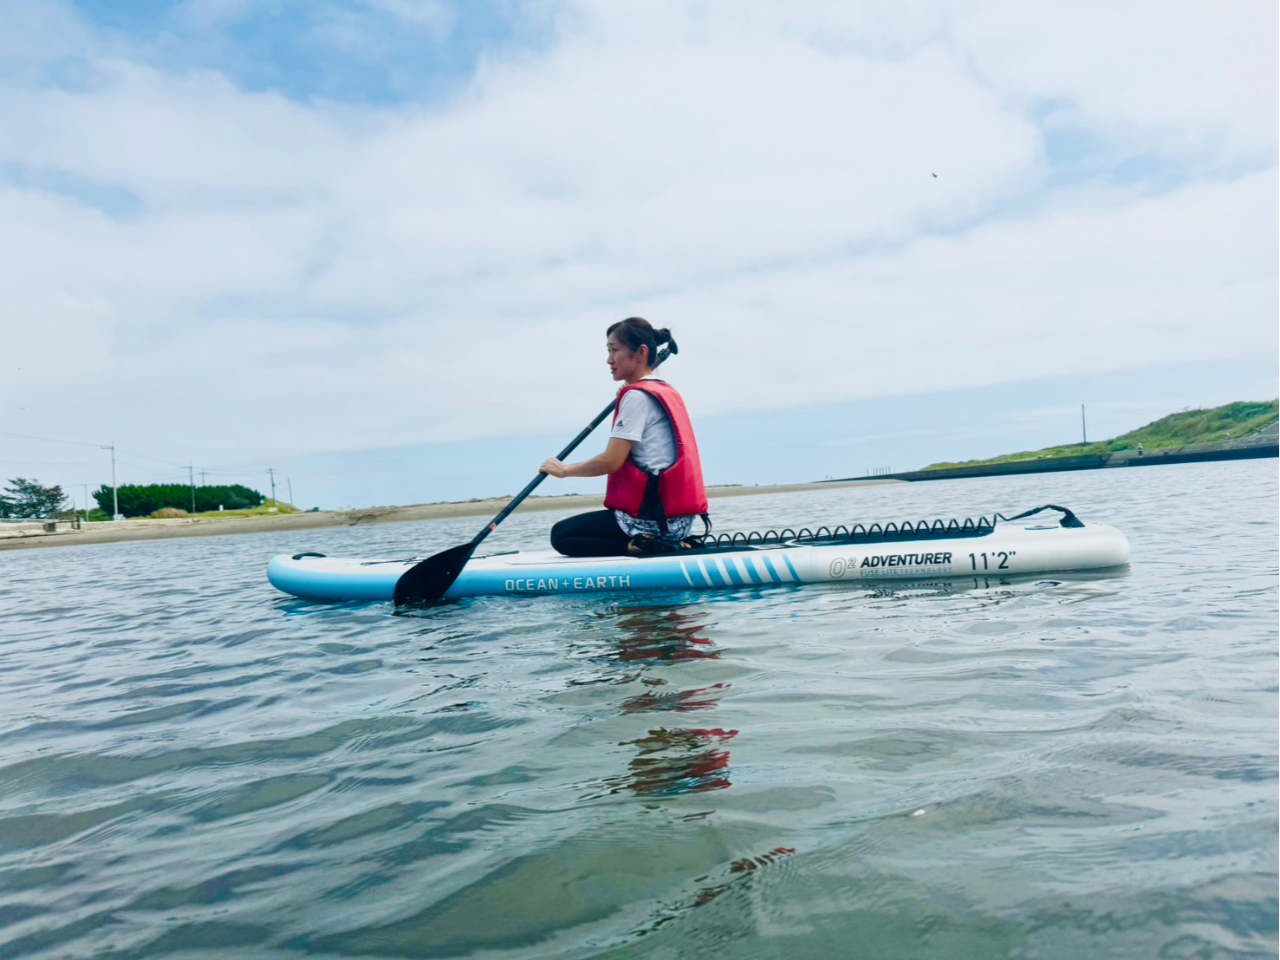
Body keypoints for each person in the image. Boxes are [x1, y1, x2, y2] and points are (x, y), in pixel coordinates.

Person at [540, 317, 709, 557]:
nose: (609, 360)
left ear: (640, 352)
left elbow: (611, 461)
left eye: (614, 350)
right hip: (680, 523)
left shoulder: (636, 397)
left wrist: (565, 471)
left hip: (652, 523)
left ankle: (641, 545)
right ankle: (657, 542)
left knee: (562, 535)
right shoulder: (664, 390)